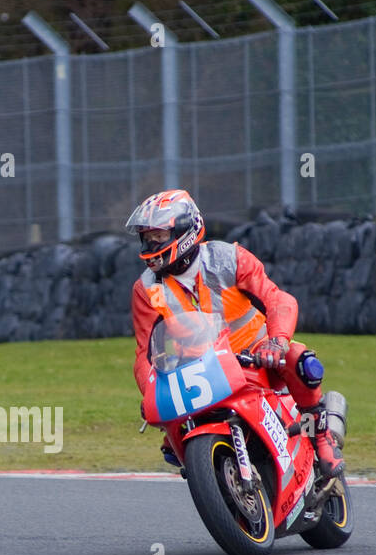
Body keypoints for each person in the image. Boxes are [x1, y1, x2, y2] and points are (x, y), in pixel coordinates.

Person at [126, 189, 344, 478]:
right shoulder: (145, 289)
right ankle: (205, 471)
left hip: (254, 354)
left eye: (159, 236)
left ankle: (321, 435)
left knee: (300, 359)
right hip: (196, 372)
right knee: (169, 438)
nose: (151, 243)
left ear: (184, 231)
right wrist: (150, 391)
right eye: (147, 237)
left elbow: (278, 300)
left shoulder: (229, 258)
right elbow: (145, 353)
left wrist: (277, 342)